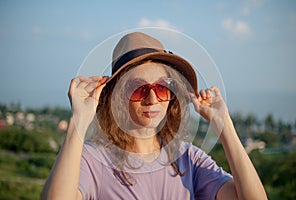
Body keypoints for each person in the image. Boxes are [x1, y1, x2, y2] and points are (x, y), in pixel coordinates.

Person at [41, 32, 267, 200]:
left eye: (162, 87)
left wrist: (223, 123)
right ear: (117, 96)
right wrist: (78, 121)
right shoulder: (93, 159)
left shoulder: (188, 159)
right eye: (137, 88)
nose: (152, 99)